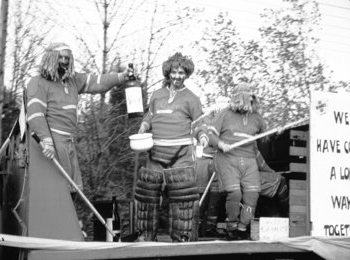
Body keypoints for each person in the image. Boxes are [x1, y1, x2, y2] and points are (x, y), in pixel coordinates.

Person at [26, 42, 132, 193]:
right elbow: (36, 113)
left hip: (69, 141)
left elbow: (97, 82)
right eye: (60, 57)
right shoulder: (38, 83)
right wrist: (47, 141)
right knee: (60, 188)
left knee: (73, 189)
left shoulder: (73, 80)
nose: (64, 61)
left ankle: (69, 214)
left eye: (67, 58)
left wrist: (121, 77)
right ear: (51, 58)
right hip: (52, 142)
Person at [134, 52, 205, 242]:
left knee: (183, 199)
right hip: (155, 153)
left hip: (180, 154)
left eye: (182, 72)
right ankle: (146, 236)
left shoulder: (192, 99)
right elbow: (150, 116)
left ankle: (183, 237)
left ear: (186, 74)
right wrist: (143, 126)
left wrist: (203, 135)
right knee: (147, 196)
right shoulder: (157, 96)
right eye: (174, 72)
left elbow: (199, 124)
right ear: (168, 72)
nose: (177, 76)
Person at [197, 83, 266, 240]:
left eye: (248, 98)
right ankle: (231, 227)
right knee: (234, 193)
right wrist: (221, 144)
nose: (245, 101)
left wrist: (277, 132)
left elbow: (265, 135)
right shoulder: (224, 113)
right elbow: (210, 134)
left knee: (252, 194)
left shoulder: (257, 117)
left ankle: (242, 227)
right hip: (227, 159)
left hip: (249, 160)